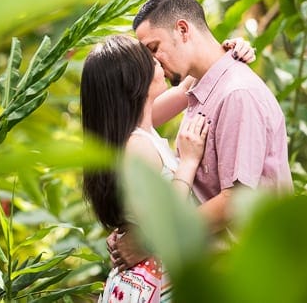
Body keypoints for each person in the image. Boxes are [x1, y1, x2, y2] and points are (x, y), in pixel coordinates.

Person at [109, 0, 294, 271]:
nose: (152, 64)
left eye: (154, 49)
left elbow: (236, 201)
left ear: (183, 30)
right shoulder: (200, 88)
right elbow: (135, 121)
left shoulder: (236, 93)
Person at [81, 34, 255, 302]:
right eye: (149, 60)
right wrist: (188, 161)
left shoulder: (135, 129)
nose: (159, 61)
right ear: (133, 81)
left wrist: (225, 51)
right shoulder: (136, 145)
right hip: (155, 283)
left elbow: (186, 88)